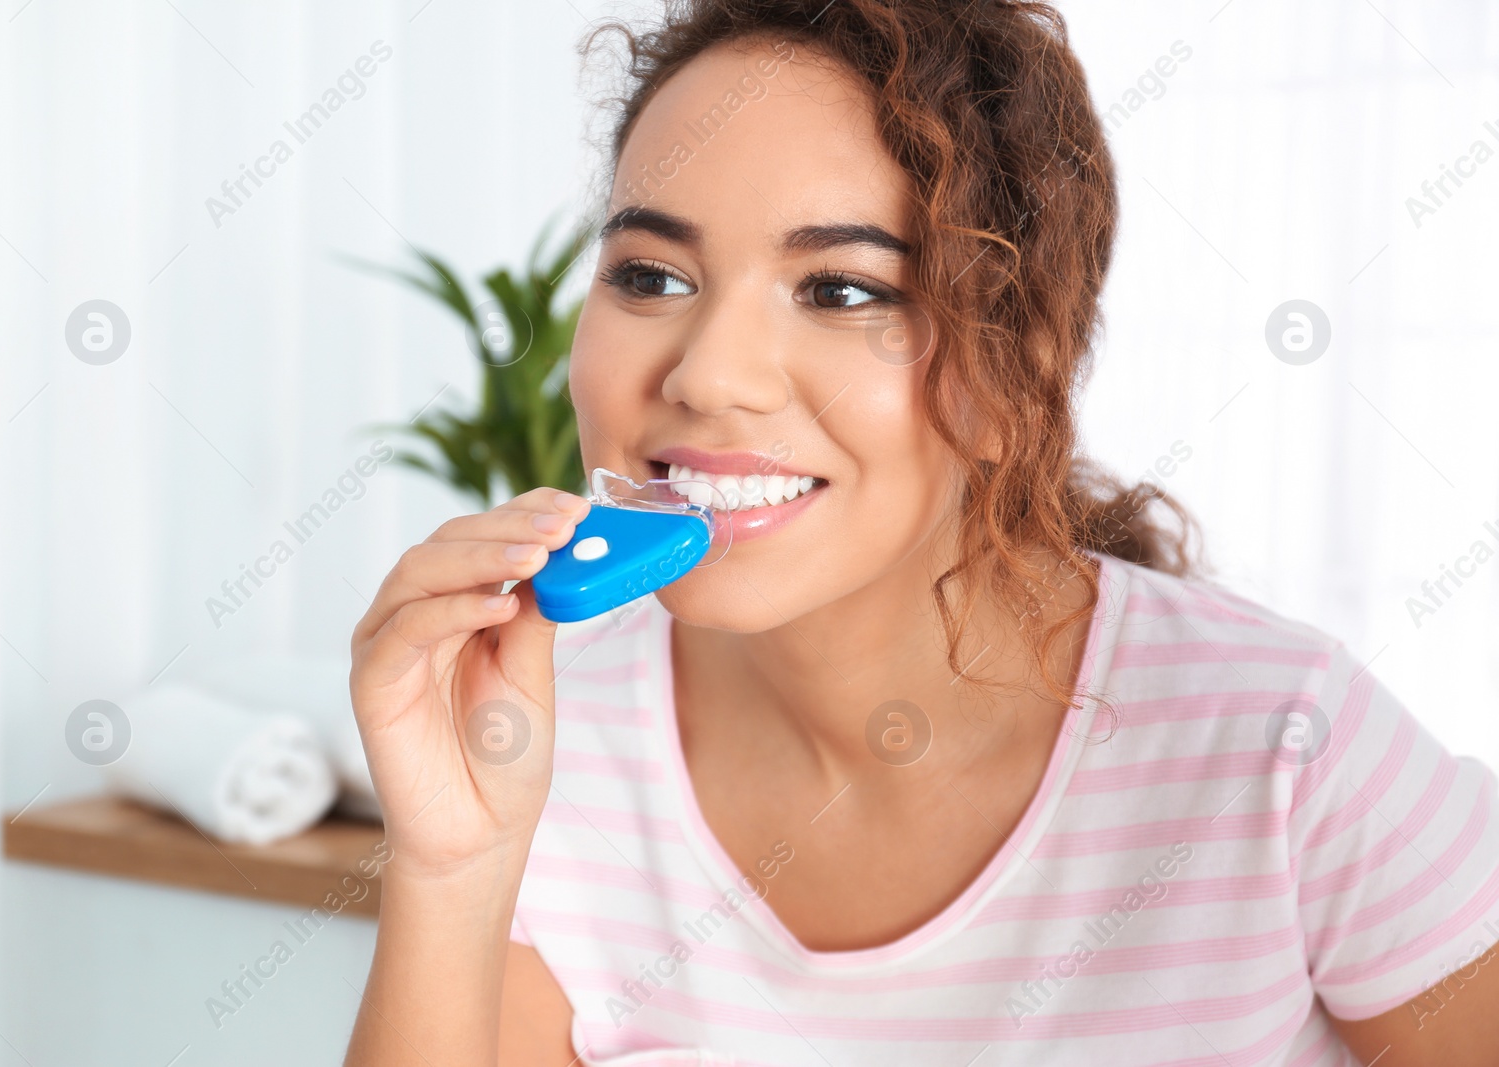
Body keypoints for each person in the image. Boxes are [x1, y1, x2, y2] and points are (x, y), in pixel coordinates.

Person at [343, 1, 1499, 1063]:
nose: (708, 375)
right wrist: (455, 868)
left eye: (842, 289)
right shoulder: (552, 743)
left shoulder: (1286, 746)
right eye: (650, 273)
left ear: (1017, 370)